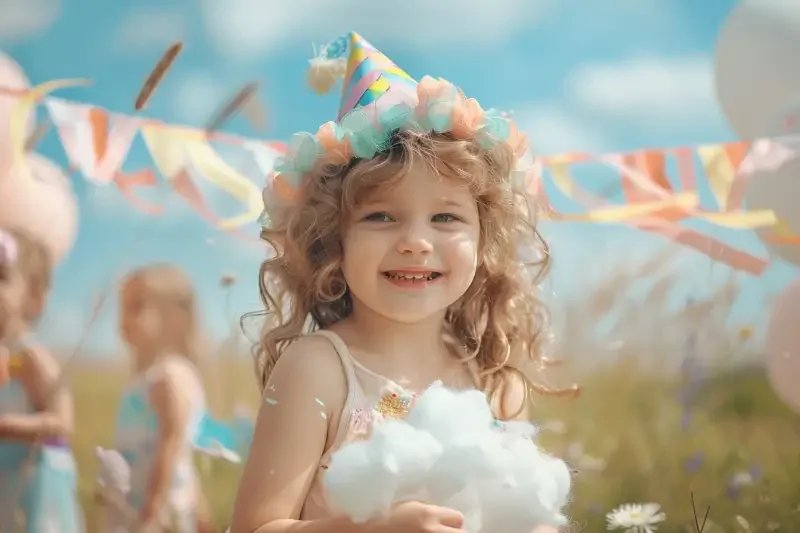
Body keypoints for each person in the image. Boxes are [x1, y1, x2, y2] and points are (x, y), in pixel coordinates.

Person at [231, 31, 574, 533]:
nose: (416, 241)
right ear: (335, 239)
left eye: (445, 218)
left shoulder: (494, 381)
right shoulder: (319, 370)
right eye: (381, 217)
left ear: (484, 242)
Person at [103, 264, 211, 532]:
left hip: (155, 508)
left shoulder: (168, 376)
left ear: (174, 317)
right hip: (138, 501)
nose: (124, 319)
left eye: (137, 307)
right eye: (123, 307)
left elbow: (172, 443)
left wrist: (151, 509)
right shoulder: (147, 377)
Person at [0, 227, 84, 532]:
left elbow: (62, 422)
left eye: (1, 277)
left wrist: (7, 426)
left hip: (35, 483)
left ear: (32, 295)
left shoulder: (29, 356)